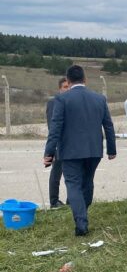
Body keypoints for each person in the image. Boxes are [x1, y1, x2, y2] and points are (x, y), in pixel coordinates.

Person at [43, 65, 116, 236]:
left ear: (67, 81)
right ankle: (83, 211)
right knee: (87, 182)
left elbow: (55, 128)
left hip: (70, 151)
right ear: (85, 79)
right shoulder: (99, 98)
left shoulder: (62, 100)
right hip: (94, 150)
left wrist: (49, 153)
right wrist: (111, 149)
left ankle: (81, 223)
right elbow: (108, 126)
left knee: (73, 185)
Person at [46, 77, 70, 209]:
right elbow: (52, 126)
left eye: (69, 87)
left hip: (71, 145)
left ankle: (71, 200)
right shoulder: (53, 103)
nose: (67, 89)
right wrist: (53, 146)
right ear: (60, 89)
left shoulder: (72, 102)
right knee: (56, 173)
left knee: (71, 174)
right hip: (58, 144)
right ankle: (54, 201)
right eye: (65, 87)